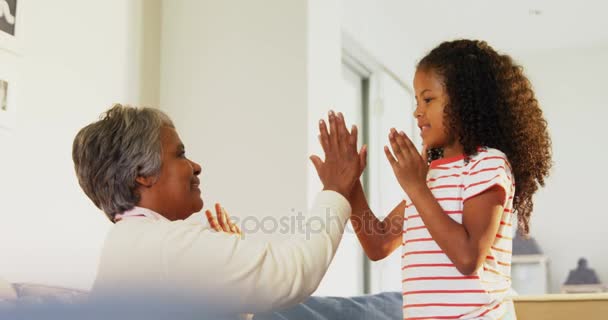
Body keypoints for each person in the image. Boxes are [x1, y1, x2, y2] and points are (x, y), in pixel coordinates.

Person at [71, 104, 364, 315]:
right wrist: (335, 191)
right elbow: (292, 274)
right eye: (180, 154)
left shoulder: (126, 243)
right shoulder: (163, 245)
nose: (196, 166)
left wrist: (230, 281)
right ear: (142, 174)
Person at [333, 40, 552, 319]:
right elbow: (378, 243)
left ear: (463, 102)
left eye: (428, 99)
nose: (417, 111)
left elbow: (468, 258)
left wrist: (416, 187)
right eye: (416, 100)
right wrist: (349, 184)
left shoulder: (487, 164)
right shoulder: (430, 174)